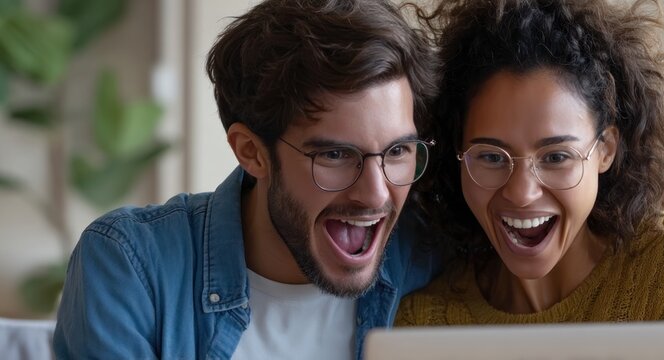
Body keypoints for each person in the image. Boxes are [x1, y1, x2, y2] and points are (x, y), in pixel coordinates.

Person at [53, 1, 441, 359]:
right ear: (251, 152)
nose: (376, 193)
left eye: (397, 152)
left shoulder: (431, 254)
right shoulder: (130, 265)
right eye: (335, 155)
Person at [397, 0, 664, 325]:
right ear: (456, 154)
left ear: (605, 149)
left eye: (556, 157)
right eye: (490, 157)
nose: (521, 193)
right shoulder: (426, 321)